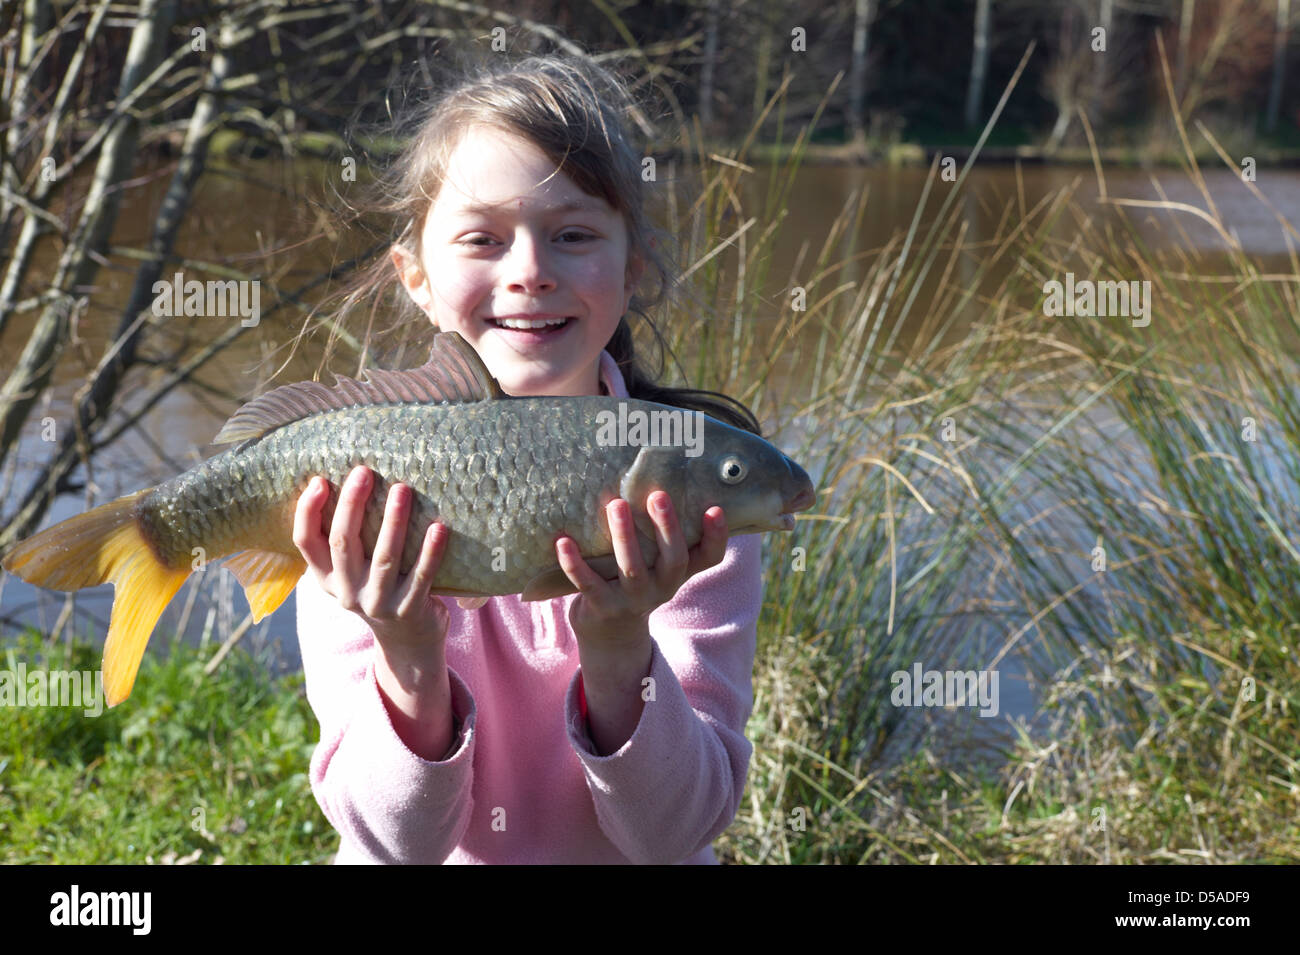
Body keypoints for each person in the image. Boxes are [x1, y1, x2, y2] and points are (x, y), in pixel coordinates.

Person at [292, 54, 767, 864]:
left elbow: (675, 835)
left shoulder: (695, 500)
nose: (530, 274)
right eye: (483, 238)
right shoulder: (359, 493)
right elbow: (391, 844)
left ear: (631, 270)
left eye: (573, 235)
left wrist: (621, 654)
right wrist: (409, 658)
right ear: (415, 274)